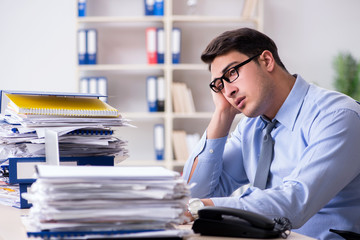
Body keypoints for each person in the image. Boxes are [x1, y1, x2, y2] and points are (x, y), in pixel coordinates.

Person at [182, 27, 360, 240]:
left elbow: (294, 204)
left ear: (266, 61)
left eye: (232, 73)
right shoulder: (251, 127)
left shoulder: (338, 116)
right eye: (219, 85)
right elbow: (195, 194)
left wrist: (200, 206)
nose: (228, 91)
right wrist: (222, 114)